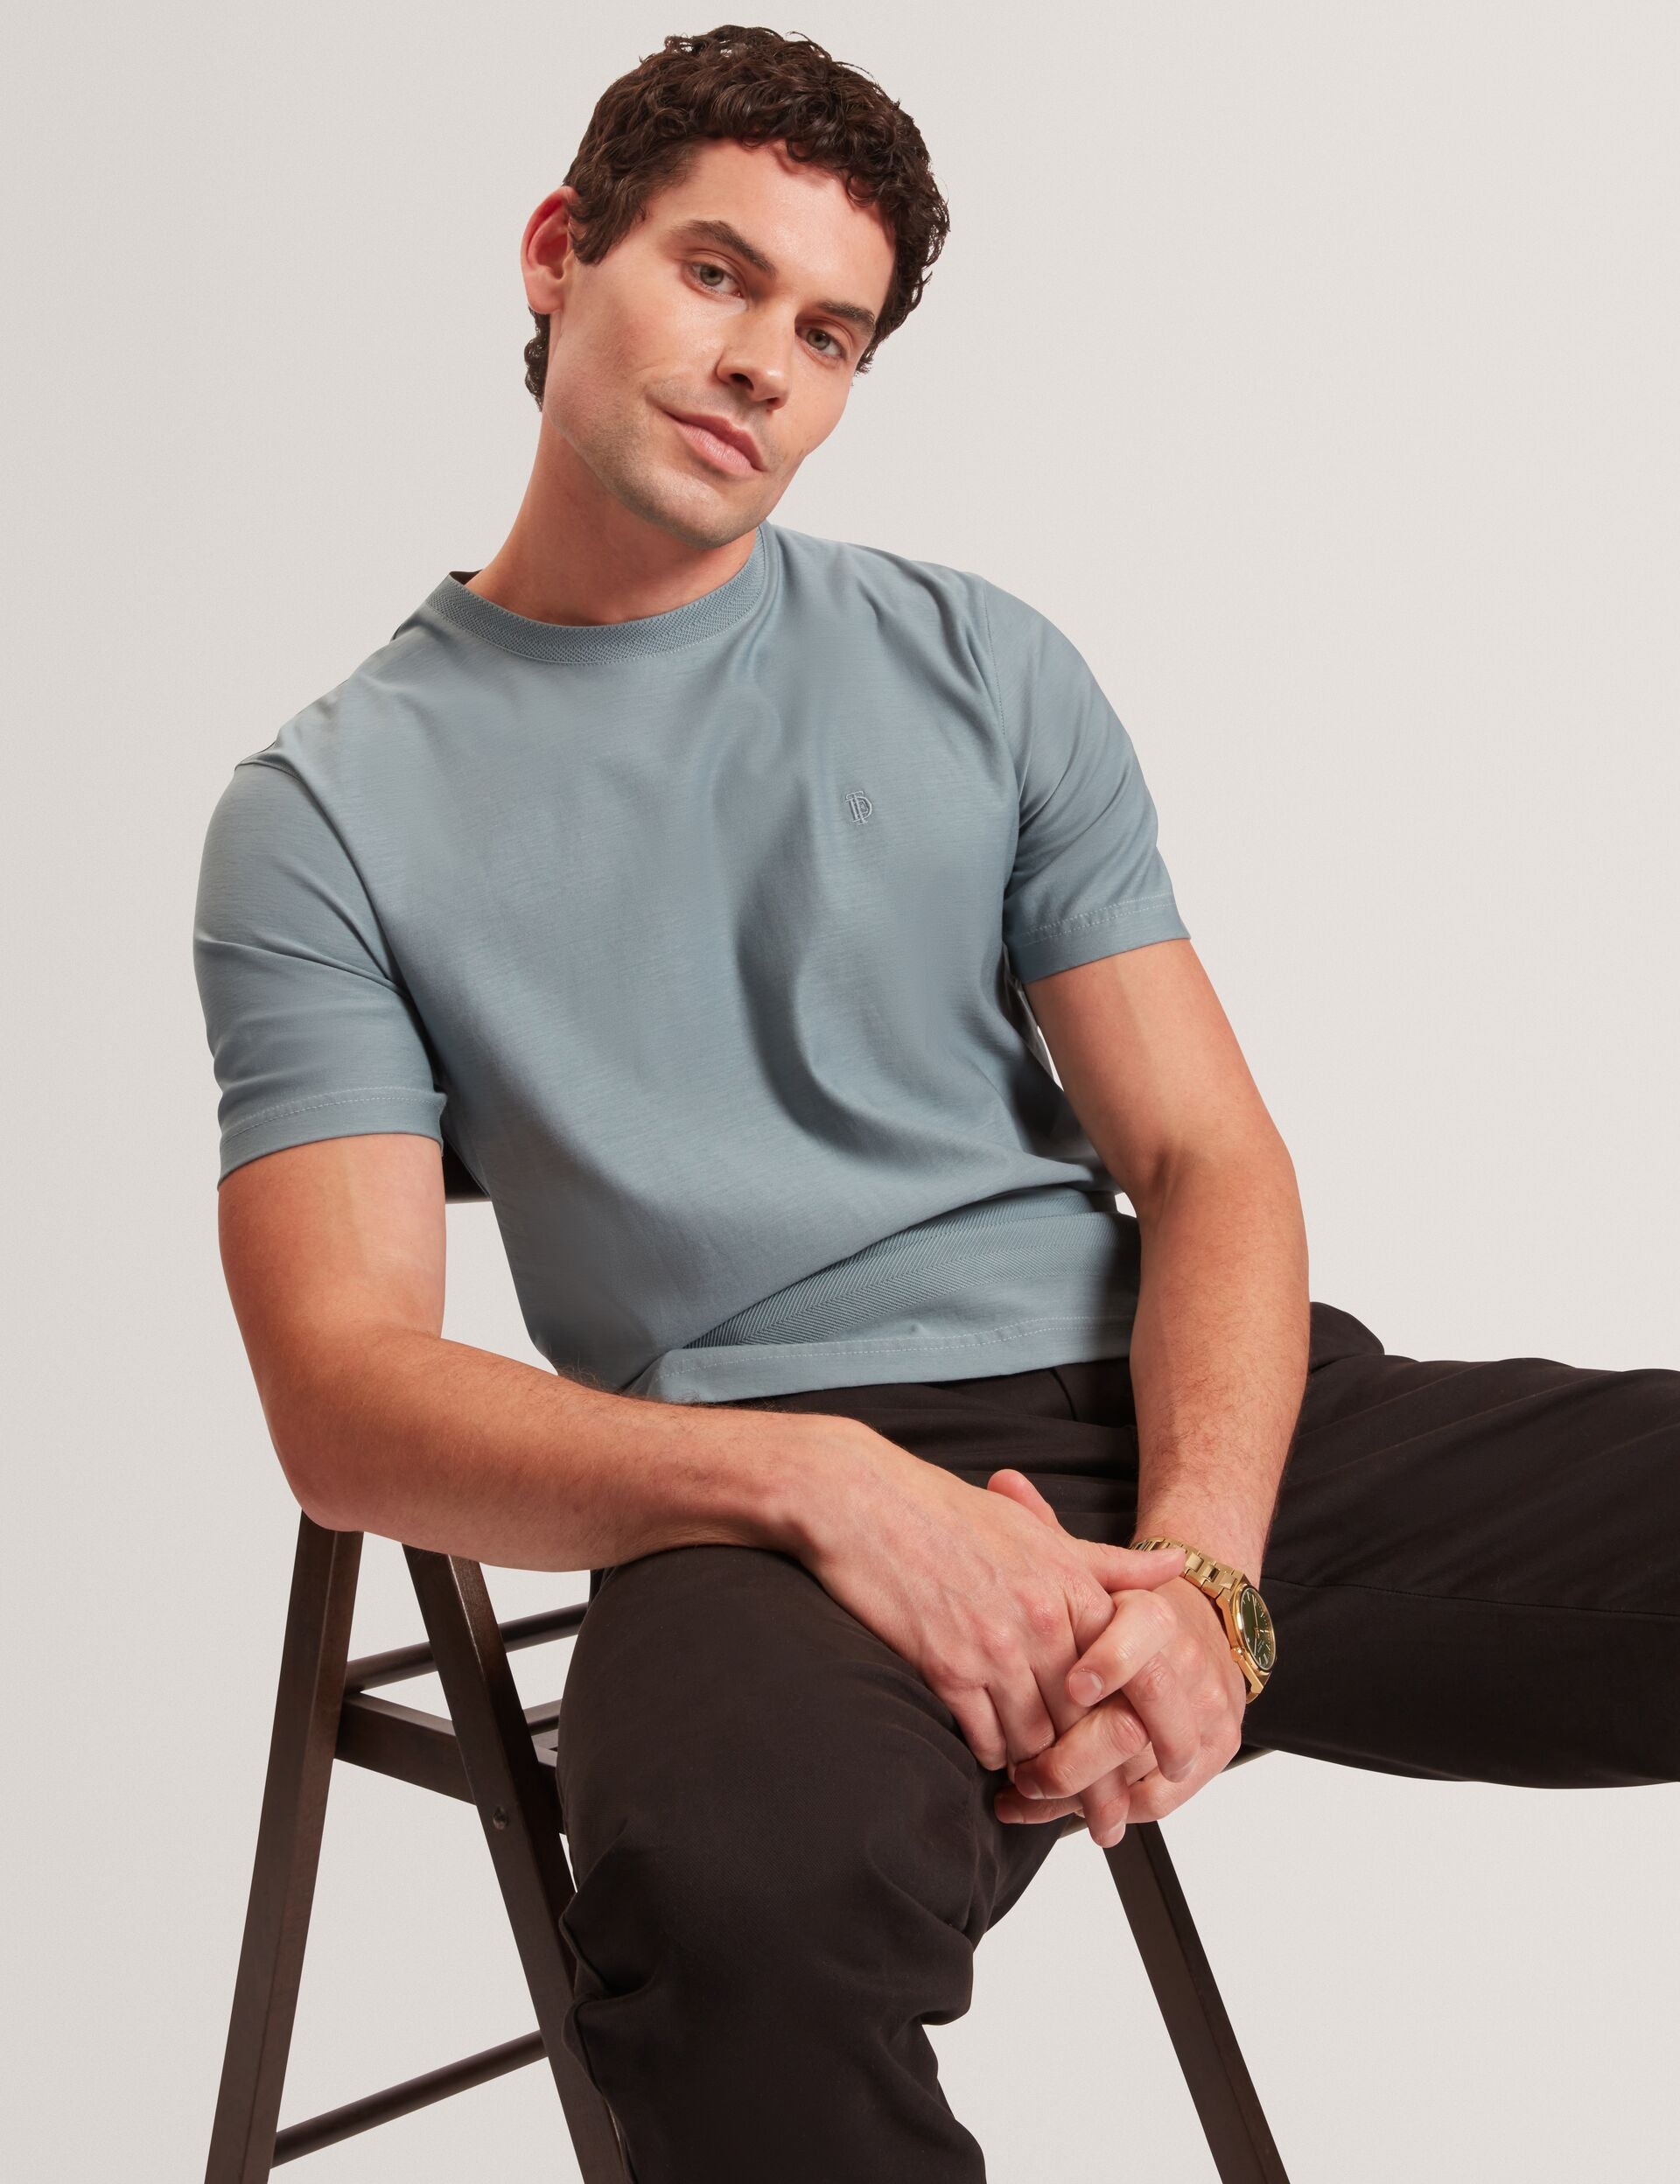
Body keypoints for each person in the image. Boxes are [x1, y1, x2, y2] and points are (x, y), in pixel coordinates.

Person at [192, 24, 1677, 2181]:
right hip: (754, 1504)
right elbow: (343, 1397)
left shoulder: (983, 666)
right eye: (717, 274)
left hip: (1167, 1415)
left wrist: (1201, 1579)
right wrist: (818, 1486)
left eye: (830, 332)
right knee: (731, 1924)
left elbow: (1206, 1158)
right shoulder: (326, 816)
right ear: (557, 253)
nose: (763, 363)